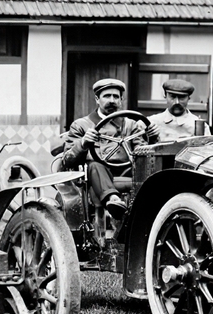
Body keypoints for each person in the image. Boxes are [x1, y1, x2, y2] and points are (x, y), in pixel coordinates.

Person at [53, 77, 155, 216]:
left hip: (127, 171)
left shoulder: (131, 125)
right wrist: (83, 143)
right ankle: (112, 199)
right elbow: (67, 160)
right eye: (107, 96)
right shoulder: (81, 125)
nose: (112, 100)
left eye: (116, 96)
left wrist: (153, 138)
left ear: (121, 100)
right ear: (97, 99)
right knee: (94, 164)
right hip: (96, 174)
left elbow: (142, 153)